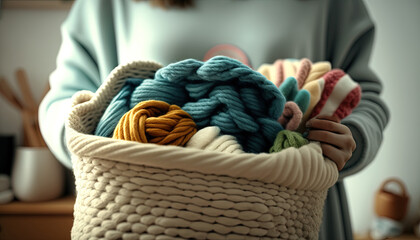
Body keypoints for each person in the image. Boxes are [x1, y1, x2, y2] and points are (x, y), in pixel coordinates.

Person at [39, 0, 389, 239]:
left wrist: (349, 139)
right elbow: (63, 103)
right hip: (144, 218)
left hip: (294, 205)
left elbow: (362, 95)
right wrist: (94, 147)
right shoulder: (107, 5)